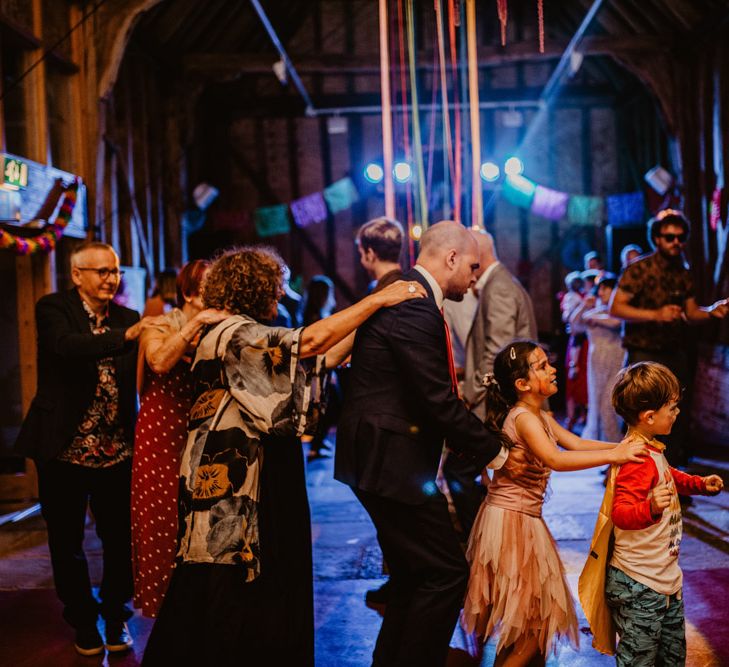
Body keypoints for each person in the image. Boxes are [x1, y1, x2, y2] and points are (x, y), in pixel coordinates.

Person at [142, 246, 425, 666]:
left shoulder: (246, 330)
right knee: (225, 579)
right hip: (231, 475)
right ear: (254, 288)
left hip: (261, 467)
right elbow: (308, 342)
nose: (281, 295)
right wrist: (376, 300)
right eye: (275, 287)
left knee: (260, 575)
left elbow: (318, 359)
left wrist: (371, 320)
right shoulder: (232, 332)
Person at [335, 221, 546, 667]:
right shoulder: (414, 305)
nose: (474, 276)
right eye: (471, 266)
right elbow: (435, 400)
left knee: (415, 576)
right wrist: (501, 454)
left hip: (381, 457)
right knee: (448, 574)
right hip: (388, 459)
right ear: (450, 259)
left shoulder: (413, 296)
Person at [461, 340, 648, 665]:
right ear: (523, 384)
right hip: (511, 521)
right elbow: (555, 459)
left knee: (526, 625)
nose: (553, 368)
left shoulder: (540, 415)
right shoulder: (524, 418)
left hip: (524, 518)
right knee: (534, 626)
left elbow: (574, 442)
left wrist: (624, 445)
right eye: (543, 365)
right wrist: (615, 455)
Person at [14, 242, 147, 656]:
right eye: (101, 271)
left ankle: (114, 615)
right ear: (77, 275)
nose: (111, 279)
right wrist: (125, 337)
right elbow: (68, 347)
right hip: (63, 448)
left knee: (120, 540)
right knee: (66, 541)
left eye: (115, 271)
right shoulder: (53, 309)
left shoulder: (129, 316)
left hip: (115, 450)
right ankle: (83, 620)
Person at [579, 362, 723, 664]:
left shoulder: (651, 449)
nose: (677, 412)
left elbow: (667, 474)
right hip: (639, 582)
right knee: (639, 659)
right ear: (649, 416)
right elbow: (621, 514)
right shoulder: (636, 458)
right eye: (672, 407)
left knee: (672, 655)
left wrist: (698, 484)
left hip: (664, 576)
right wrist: (650, 507)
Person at [131, 259, 229, 618]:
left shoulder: (223, 329)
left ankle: (203, 612)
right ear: (188, 293)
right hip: (163, 434)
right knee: (165, 520)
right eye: (209, 291)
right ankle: (169, 613)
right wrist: (197, 324)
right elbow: (158, 361)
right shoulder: (161, 324)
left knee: (205, 526)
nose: (218, 299)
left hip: (205, 434)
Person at [609, 209, 729, 466]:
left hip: (675, 351)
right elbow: (615, 308)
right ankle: (630, 473)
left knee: (674, 414)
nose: (676, 242)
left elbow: (692, 313)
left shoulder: (683, 273)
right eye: (669, 237)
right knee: (638, 413)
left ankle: (670, 474)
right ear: (656, 238)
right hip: (644, 352)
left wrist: (712, 311)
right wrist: (655, 314)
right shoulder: (639, 269)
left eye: (681, 237)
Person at [444, 229, 537, 539]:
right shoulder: (500, 284)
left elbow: (499, 357)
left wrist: (472, 400)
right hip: (497, 403)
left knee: (458, 470)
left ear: (477, 256)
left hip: (494, 405)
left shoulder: (497, 288)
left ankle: (481, 538)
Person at [573, 274, 624, 442]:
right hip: (595, 363)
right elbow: (574, 325)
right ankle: (602, 449)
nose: (601, 292)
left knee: (609, 407)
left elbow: (615, 322)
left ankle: (614, 449)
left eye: (605, 288)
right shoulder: (593, 311)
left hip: (615, 360)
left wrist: (592, 317)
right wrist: (583, 306)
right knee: (595, 405)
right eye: (599, 289)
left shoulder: (616, 312)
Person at [560, 271, 588, 430]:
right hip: (577, 338)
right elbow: (567, 318)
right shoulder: (571, 297)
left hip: (585, 339)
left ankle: (582, 415)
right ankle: (571, 417)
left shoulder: (583, 296)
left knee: (583, 382)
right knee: (573, 380)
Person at [355, 216, 405, 290]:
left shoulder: (380, 293)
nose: (361, 261)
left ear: (370, 254)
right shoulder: (411, 286)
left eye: (361, 254)